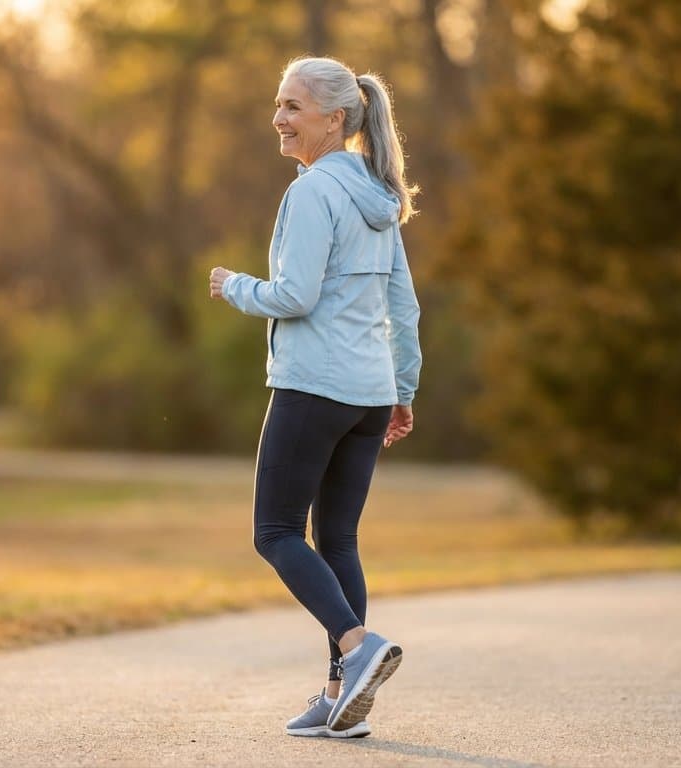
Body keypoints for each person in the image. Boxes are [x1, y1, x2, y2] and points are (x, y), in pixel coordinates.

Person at [207, 55, 422, 739]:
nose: (278, 118)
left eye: (293, 107)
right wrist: (402, 390)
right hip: (368, 395)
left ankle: (358, 649)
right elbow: (404, 307)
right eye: (278, 104)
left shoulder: (313, 193)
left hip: (314, 388)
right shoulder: (379, 193)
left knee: (274, 532)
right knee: (337, 542)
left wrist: (235, 287)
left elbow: (295, 296)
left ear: (335, 118)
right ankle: (340, 699)